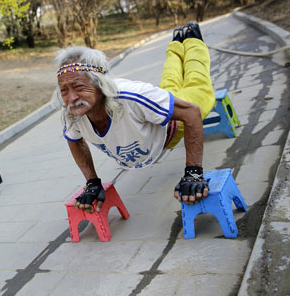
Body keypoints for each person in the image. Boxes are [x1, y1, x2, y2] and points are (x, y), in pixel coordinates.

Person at [56, 21, 215, 213]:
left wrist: (193, 172)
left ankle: (193, 41)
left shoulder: (131, 96)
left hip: (172, 127)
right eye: (64, 90)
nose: (71, 98)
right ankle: (176, 43)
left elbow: (191, 113)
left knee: (198, 82)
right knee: (170, 81)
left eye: (79, 87)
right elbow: (74, 140)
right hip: (152, 109)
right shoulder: (72, 113)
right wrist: (92, 182)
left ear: (101, 84)